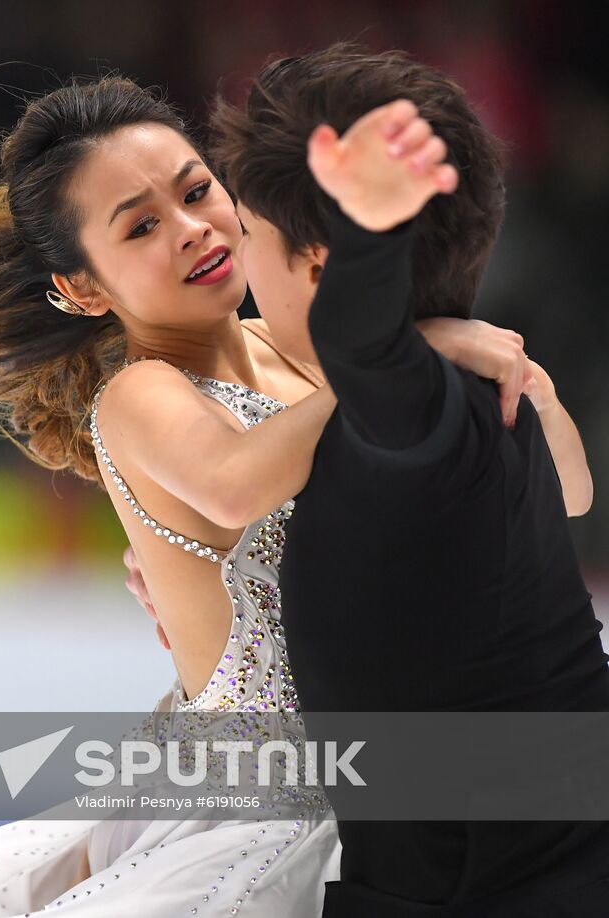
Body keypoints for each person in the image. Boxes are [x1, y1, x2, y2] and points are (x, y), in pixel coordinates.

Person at [0, 57, 586, 917]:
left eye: (195, 191)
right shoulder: (143, 394)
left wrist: (529, 386)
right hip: (270, 803)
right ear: (81, 286)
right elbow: (230, 487)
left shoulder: (299, 346)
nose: (190, 228)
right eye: (139, 227)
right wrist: (404, 359)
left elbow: (561, 497)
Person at [194, 45, 609, 915]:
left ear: (318, 265)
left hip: (510, 883)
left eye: (249, 234)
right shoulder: (471, 391)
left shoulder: (433, 412)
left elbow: (365, 347)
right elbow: (576, 497)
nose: (236, 263)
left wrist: (368, 234)